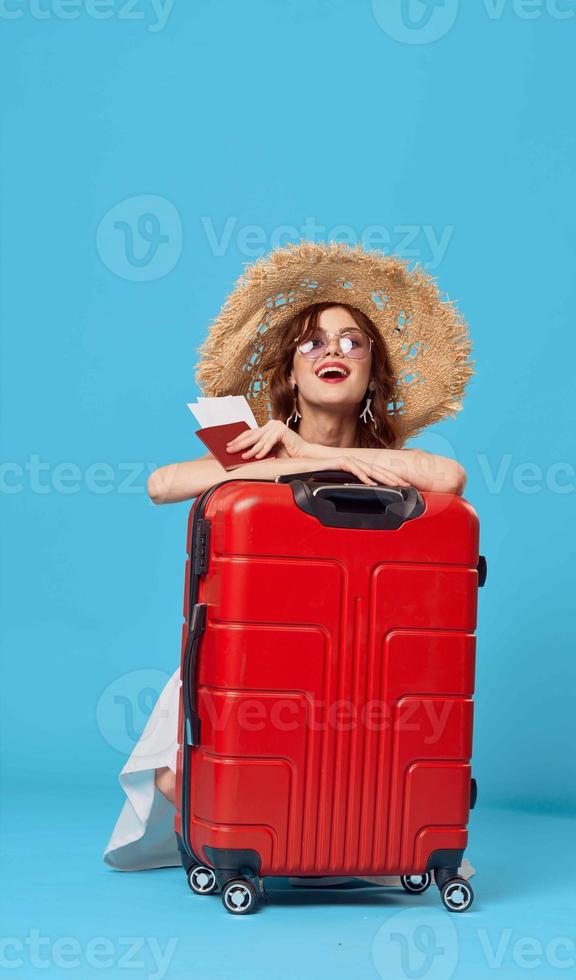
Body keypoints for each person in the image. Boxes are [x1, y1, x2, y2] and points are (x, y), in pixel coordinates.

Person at [103, 240, 476, 886]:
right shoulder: (245, 439)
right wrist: (287, 459)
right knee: (175, 776)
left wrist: (306, 449)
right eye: (311, 343)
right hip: (261, 657)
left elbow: (451, 474)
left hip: (357, 665)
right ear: (290, 372)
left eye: (352, 342)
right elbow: (161, 485)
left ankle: (341, 829)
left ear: (371, 372)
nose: (332, 352)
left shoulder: (388, 457)